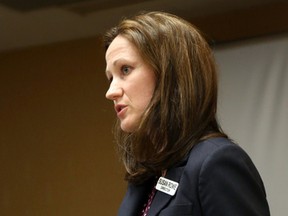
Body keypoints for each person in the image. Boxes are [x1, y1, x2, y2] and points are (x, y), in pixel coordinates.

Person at [103, 11, 270, 216]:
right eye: (110, 78)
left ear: (169, 72)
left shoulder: (216, 161)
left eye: (125, 70)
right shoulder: (146, 175)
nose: (111, 92)